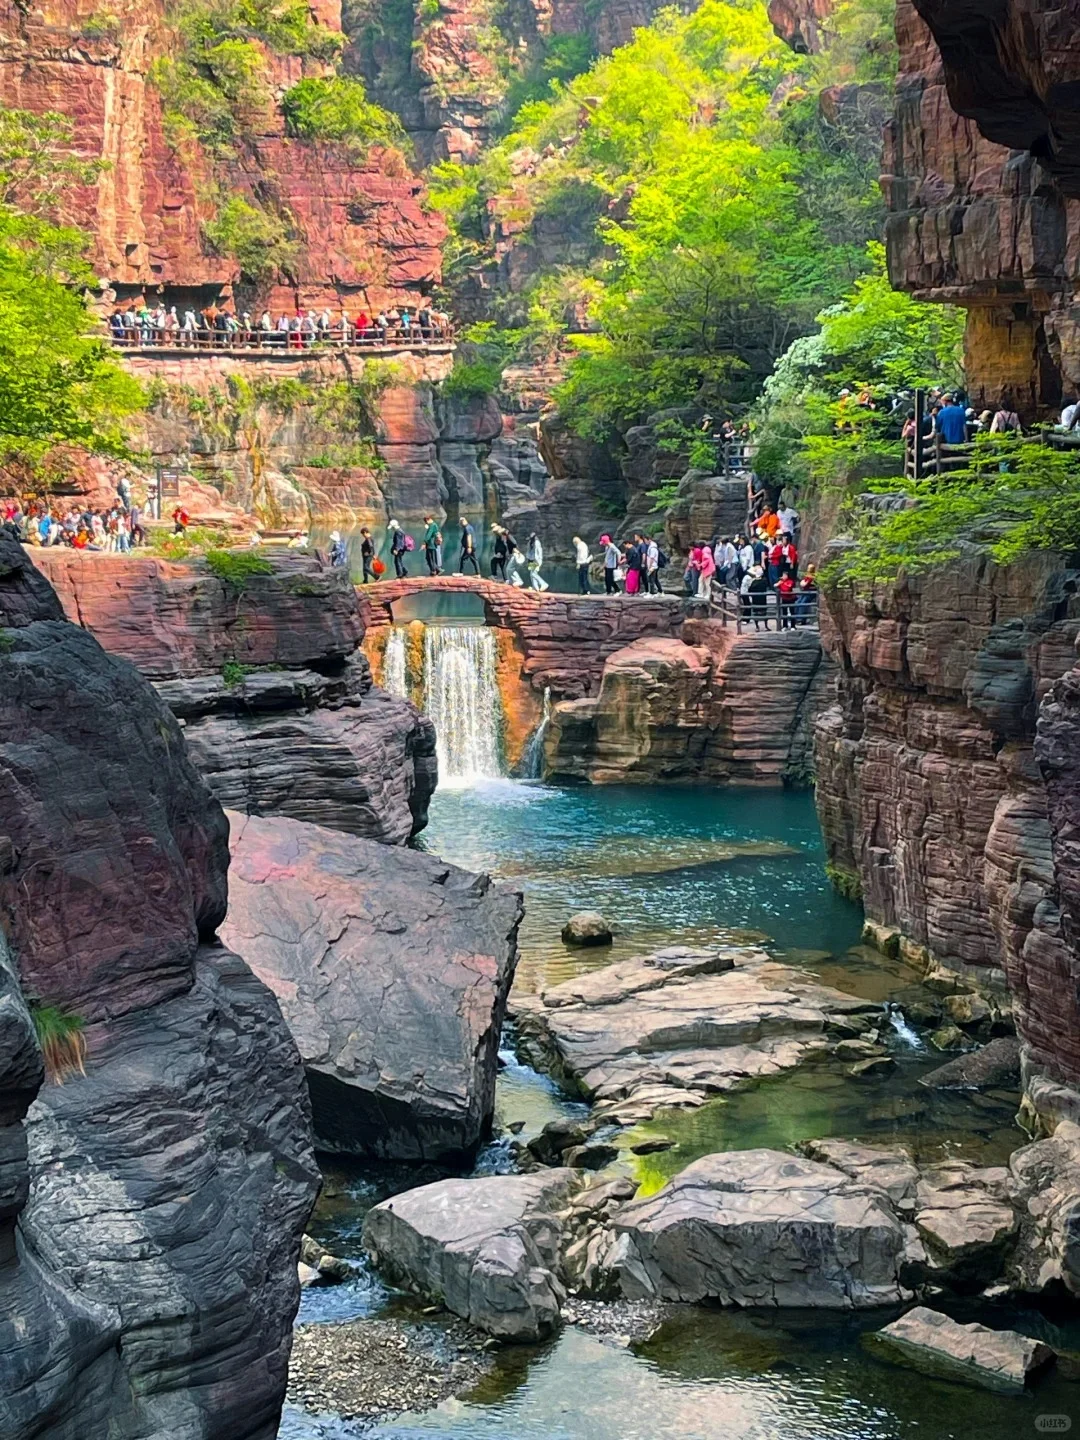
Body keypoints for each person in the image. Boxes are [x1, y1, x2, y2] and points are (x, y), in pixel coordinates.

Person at [697, 538, 716, 603]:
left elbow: (706, 560)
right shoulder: (706, 550)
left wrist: (701, 565)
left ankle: (708, 594)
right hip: (706, 569)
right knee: (701, 580)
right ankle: (701, 593)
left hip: (708, 569)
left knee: (707, 583)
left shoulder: (704, 551)